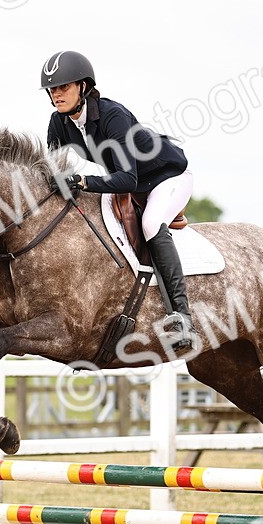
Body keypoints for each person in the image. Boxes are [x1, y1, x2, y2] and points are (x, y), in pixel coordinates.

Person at [41, 50, 197, 352]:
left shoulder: (113, 116)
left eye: (64, 87)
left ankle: (182, 317)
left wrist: (84, 181)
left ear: (83, 87)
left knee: (152, 223)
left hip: (167, 177)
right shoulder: (57, 123)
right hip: (131, 181)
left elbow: (128, 178)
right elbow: (53, 171)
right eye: (52, 89)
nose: (57, 94)